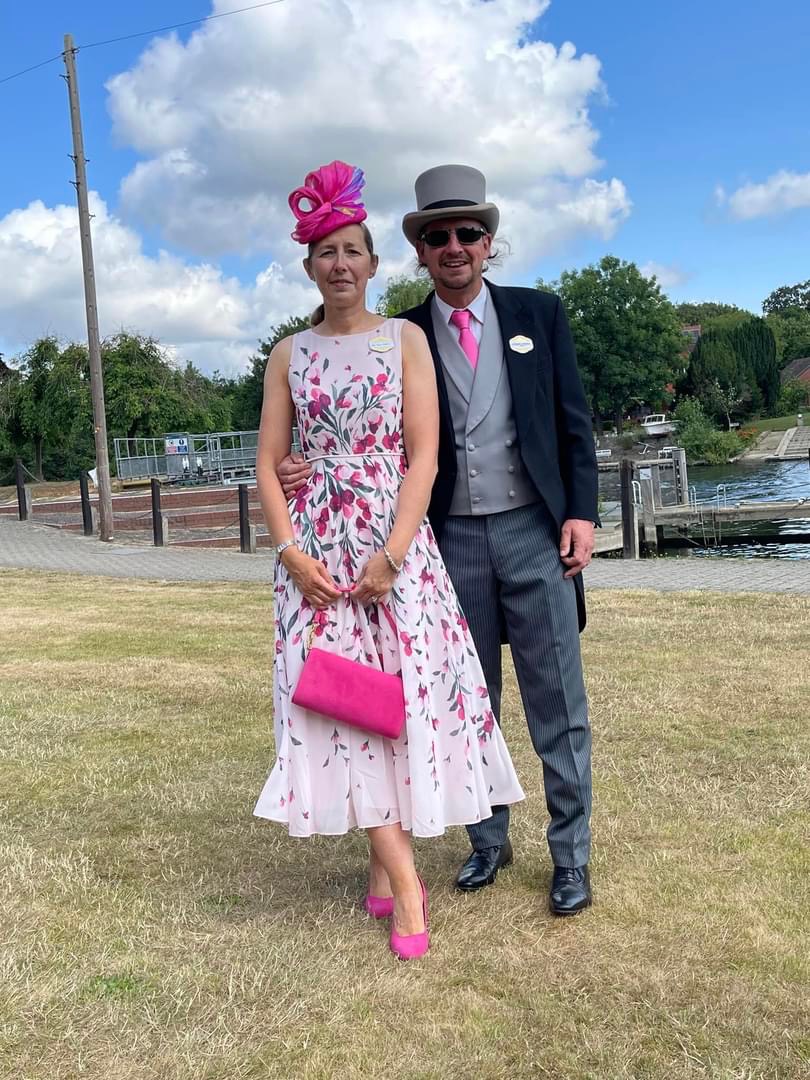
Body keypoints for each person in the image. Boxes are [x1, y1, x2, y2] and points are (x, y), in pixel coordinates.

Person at [280, 165, 599, 916]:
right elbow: (352, 424)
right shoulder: (399, 335)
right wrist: (299, 464)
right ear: (420, 251)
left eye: (468, 233)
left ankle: (571, 856)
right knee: (462, 697)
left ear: (488, 243)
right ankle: (487, 842)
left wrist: (582, 513)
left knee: (558, 701)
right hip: (445, 538)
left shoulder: (539, 313)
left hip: (533, 529)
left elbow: (573, 422)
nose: (455, 246)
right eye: (438, 236)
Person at [253, 161, 524, 961]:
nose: (339, 264)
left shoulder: (405, 340)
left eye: (352, 251)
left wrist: (394, 554)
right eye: (325, 252)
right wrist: (290, 553)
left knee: (397, 704)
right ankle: (407, 882)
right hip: (315, 554)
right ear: (309, 266)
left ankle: (383, 862)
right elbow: (268, 462)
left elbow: (425, 454)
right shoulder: (288, 354)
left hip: (392, 547)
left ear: (373, 263)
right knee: (336, 704)